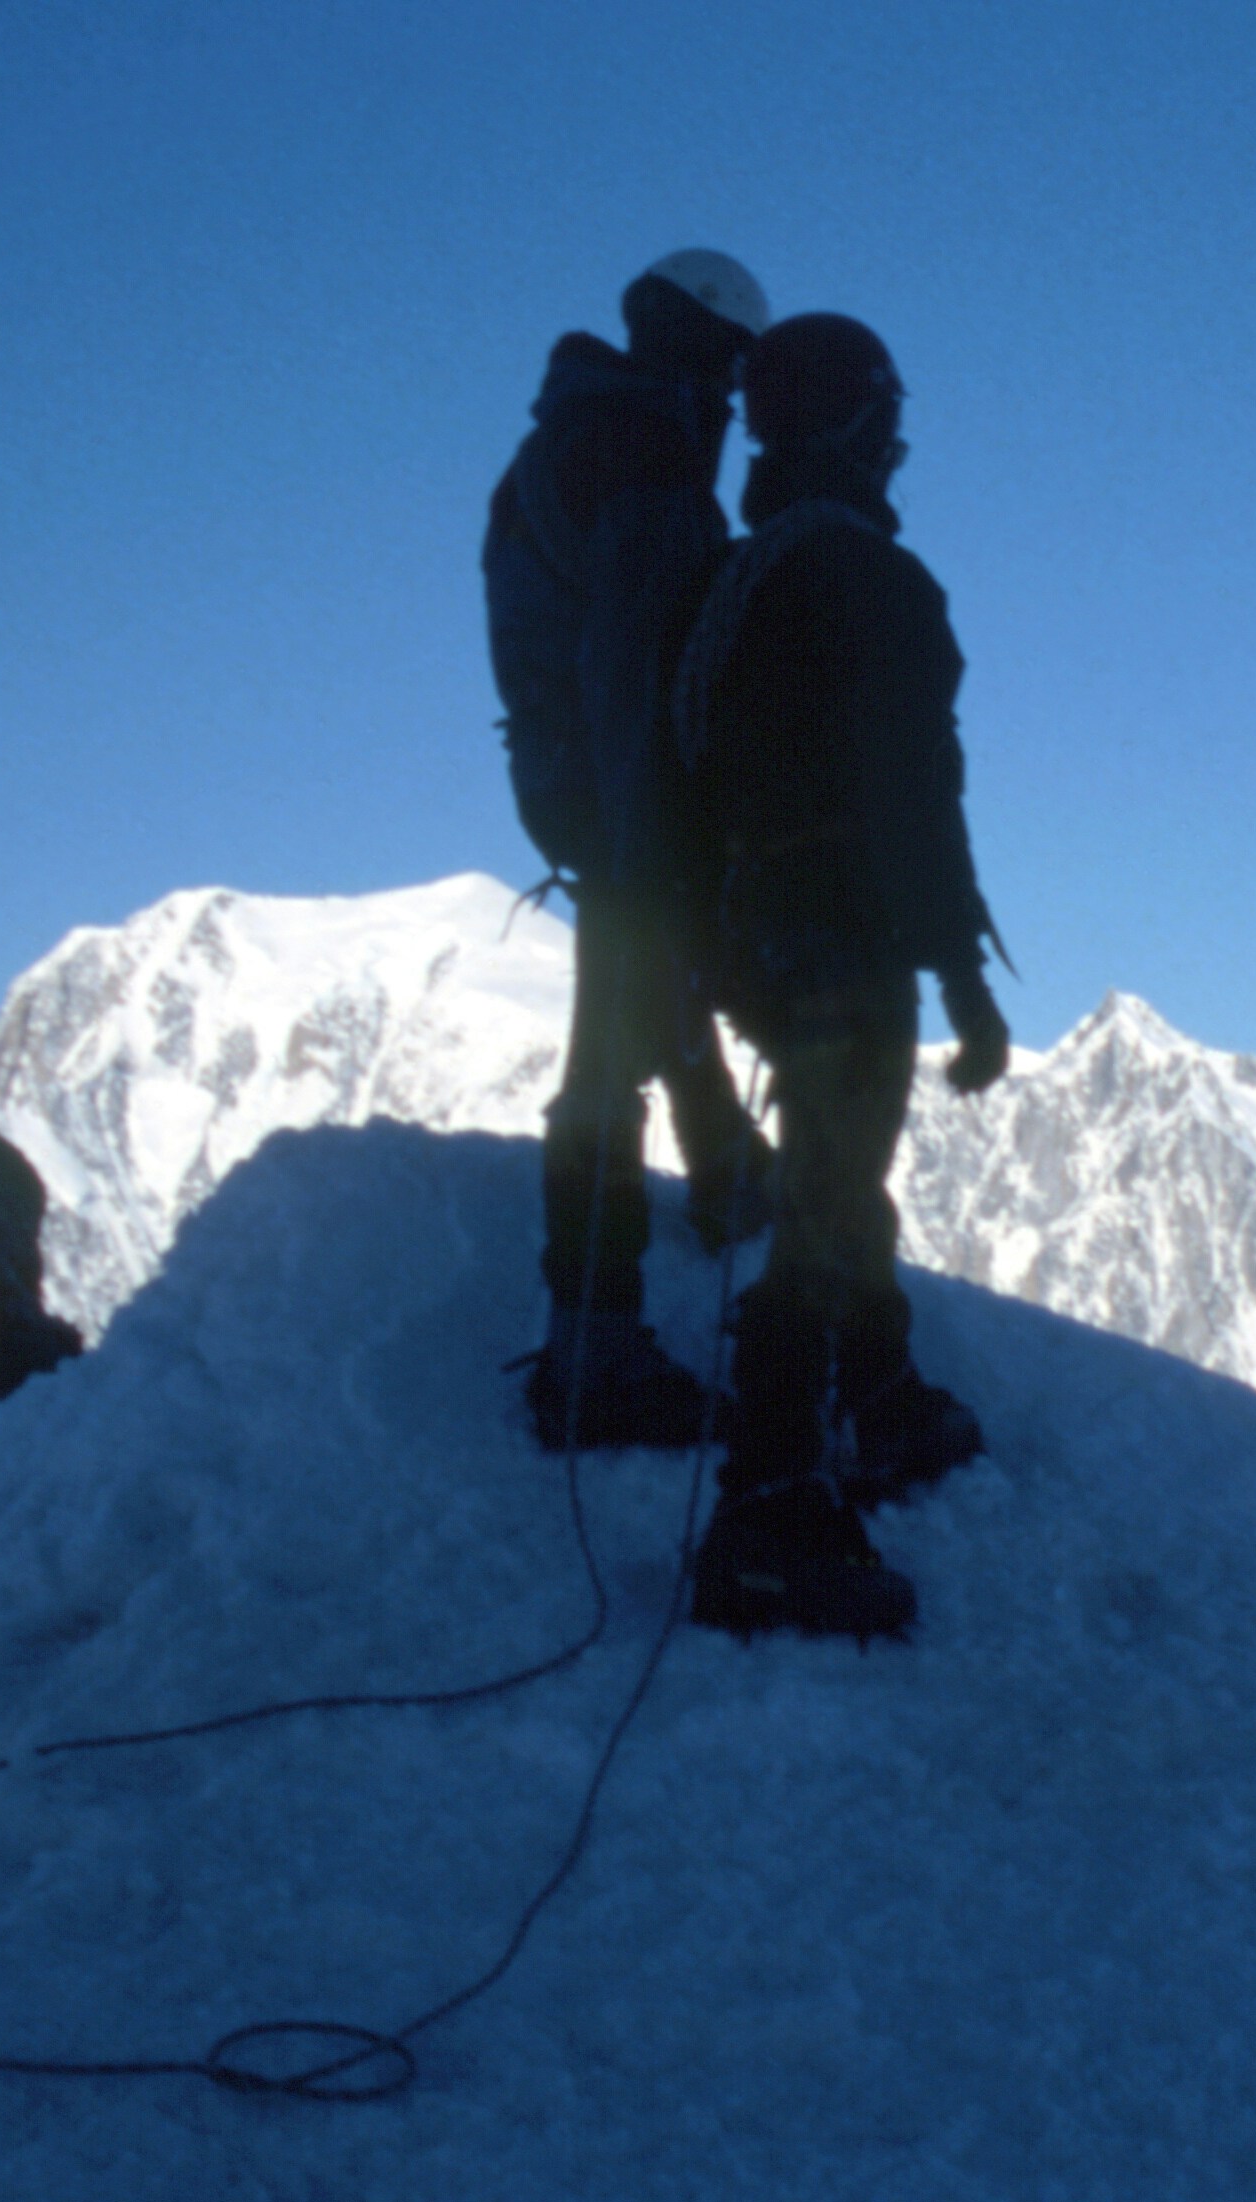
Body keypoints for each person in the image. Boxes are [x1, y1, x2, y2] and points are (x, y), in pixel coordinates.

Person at [666, 311, 1011, 1640]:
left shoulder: (740, 578)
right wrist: (966, 979)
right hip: (845, 937)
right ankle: (769, 1509)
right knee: (823, 1198)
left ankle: (880, 1397)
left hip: (754, 933)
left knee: (833, 1175)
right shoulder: (873, 578)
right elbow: (918, 800)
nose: (900, 440)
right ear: (857, 425)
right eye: (886, 416)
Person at [482, 247, 778, 1450]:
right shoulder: (642, 451)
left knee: (631, 998)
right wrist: (660, 841)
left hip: (572, 783)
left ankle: (719, 1179)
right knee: (607, 1042)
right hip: (617, 792)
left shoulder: (577, 433)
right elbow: (634, 666)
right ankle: (592, 1346)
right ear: (711, 347)